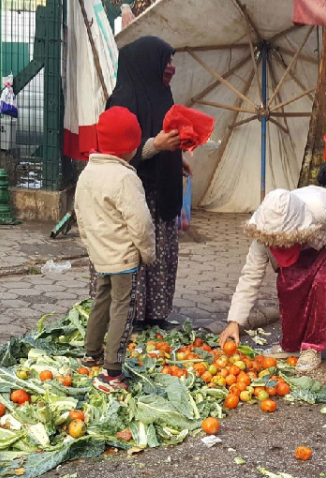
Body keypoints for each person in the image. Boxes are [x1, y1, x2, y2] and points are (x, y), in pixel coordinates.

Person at [91, 36, 189, 334]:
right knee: (134, 251)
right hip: (135, 193)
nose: (171, 67)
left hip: (163, 190)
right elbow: (117, 154)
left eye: (171, 60)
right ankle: (127, 319)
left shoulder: (163, 94)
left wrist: (177, 157)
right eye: (166, 60)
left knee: (161, 253)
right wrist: (156, 146)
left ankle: (155, 315)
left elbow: (165, 132)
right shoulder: (122, 100)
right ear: (147, 63)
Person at [218, 186, 326, 372]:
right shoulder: (263, 234)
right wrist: (234, 322)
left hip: (325, 245)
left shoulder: (322, 207)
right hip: (298, 252)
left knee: (320, 285)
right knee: (288, 288)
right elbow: (250, 277)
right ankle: (291, 345)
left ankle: (312, 348)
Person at [75, 107, 157, 392]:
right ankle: (112, 372)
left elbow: (80, 215)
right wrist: (147, 252)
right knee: (123, 308)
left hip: (100, 254)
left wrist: (90, 247)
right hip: (123, 258)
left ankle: (91, 353)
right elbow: (141, 222)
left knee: (101, 300)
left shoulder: (87, 174)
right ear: (131, 147)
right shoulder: (125, 178)